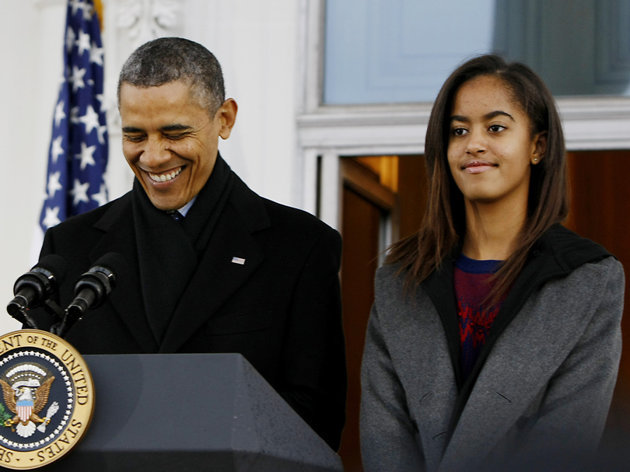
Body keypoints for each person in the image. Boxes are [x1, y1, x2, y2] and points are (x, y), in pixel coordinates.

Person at [31, 37, 346, 450]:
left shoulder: (300, 246)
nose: (153, 156)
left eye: (174, 133)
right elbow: (39, 408)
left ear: (225, 119)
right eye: (135, 135)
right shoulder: (68, 247)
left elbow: (315, 418)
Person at [360, 54, 624, 471]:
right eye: (459, 130)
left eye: (495, 127)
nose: (474, 144)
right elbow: (384, 436)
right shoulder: (399, 280)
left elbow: (566, 439)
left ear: (537, 146)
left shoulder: (587, 280)